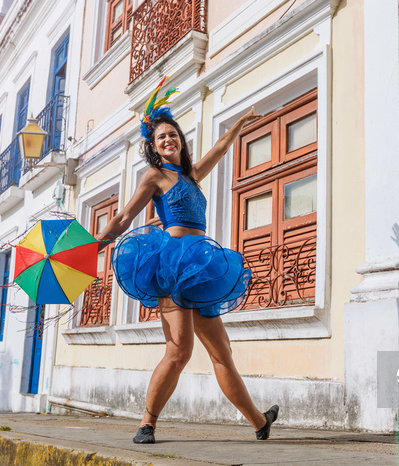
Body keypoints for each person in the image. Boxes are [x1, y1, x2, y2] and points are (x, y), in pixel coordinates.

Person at [95, 77, 279, 444]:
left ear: (180, 139)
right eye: (161, 137)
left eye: (173, 135)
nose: (168, 140)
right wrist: (96, 246)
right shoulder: (155, 176)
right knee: (179, 350)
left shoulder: (192, 175)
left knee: (222, 353)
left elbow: (222, 147)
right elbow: (124, 217)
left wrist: (242, 120)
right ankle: (147, 424)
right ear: (154, 146)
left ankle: (260, 421)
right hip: (171, 265)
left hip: (201, 268)